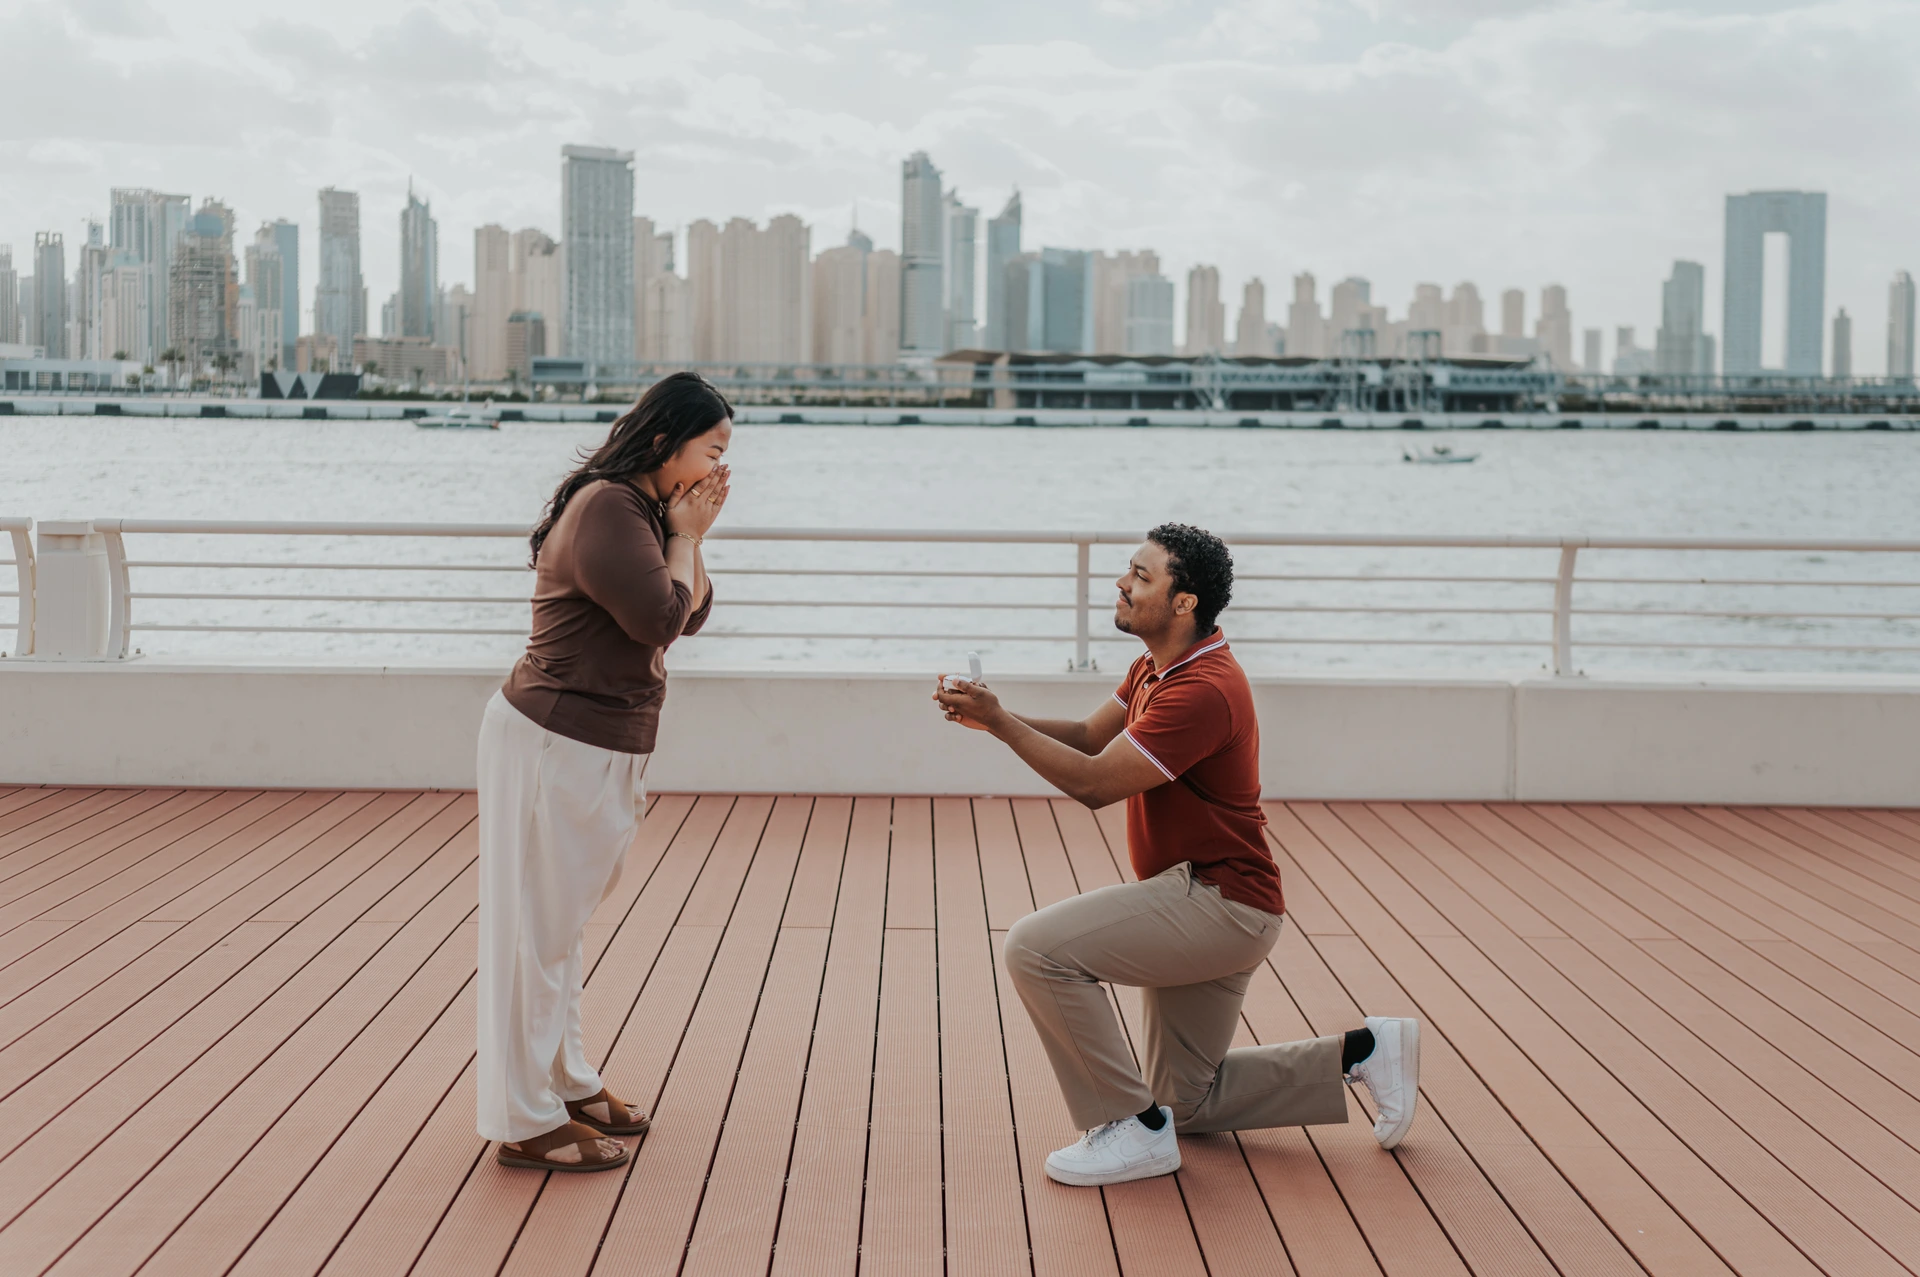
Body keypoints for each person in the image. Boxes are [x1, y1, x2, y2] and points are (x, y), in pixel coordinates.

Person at [933, 523, 1419, 1187]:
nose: (1121, 582)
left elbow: (1095, 783)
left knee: (1034, 948)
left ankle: (1128, 1128)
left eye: (1140, 574)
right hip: (1211, 899)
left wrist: (1002, 723)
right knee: (1188, 1101)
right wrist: (993, 717)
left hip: (1219, 901)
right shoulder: (1156, 666)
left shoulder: (1202, 689)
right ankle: (1365, 1051)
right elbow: (1086, 738)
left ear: (1183, 601)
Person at [476, 372, 732, 1172]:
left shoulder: (644, 510)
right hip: (558, 738)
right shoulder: (610, 506)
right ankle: (523, 1118)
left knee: (560, 929)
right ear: (665, 442)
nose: (721, 469)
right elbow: (661, 617)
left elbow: (691, 610)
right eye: (712, 450)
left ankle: (565, 1078)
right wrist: (687, 539)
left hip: (598, 741)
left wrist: (690, 533)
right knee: (536, 933)